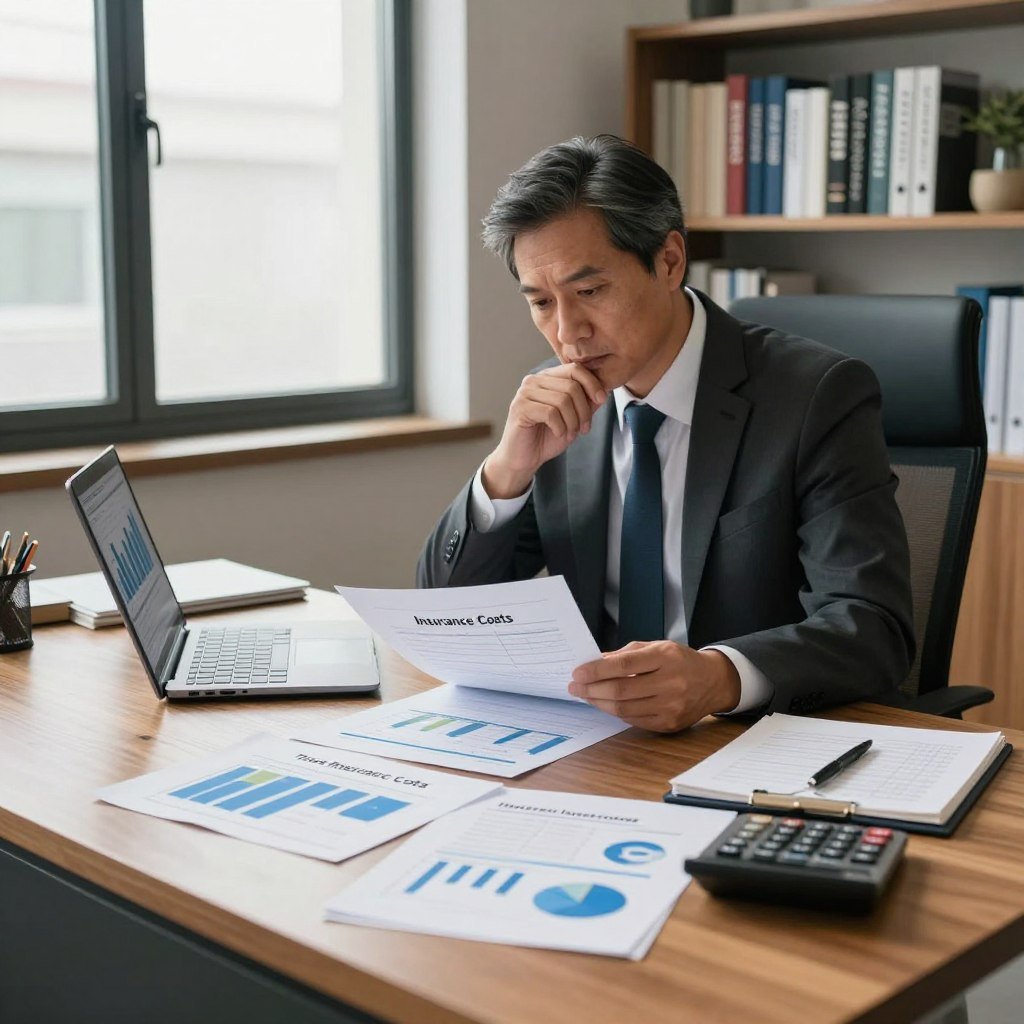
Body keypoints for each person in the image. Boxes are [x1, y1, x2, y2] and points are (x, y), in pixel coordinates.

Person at [417, 134, 914, 733]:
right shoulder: (552, 401)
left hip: (748, 740)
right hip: (597, 741)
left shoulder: (815, 396)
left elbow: (872, 625)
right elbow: (446, 615)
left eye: (589, 291)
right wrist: (506, 471)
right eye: (542, 302)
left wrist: (720, 677)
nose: (568, 333)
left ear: (670, 260)